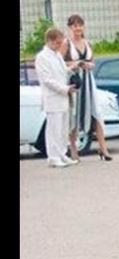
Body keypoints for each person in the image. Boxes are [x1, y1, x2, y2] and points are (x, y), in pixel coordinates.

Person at [64, 14, 113, 161]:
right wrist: (76, 64)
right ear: (70, 27)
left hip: (88, 82)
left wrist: (88, 65)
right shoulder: (66, 44)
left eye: (80, 25)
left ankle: (103, 148)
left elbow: (93, 62)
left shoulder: (87, 43)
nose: (78, 28)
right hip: (75, 81)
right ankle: (74, 149)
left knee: (96, 113)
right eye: (75, 25)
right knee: (74, 114)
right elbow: (60, 63)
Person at [34, 28, 79, 168]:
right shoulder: (42, 57)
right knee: (54, 129)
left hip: (64, 97)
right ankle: (53, 157)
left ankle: (62, 154)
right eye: (58, 42)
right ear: (50, 40)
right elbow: (47, 80)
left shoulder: (57, 55)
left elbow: (61, 72)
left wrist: (72, 69)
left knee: (63, 128)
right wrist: (65, 89)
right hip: (53, 98)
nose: (60, 45)